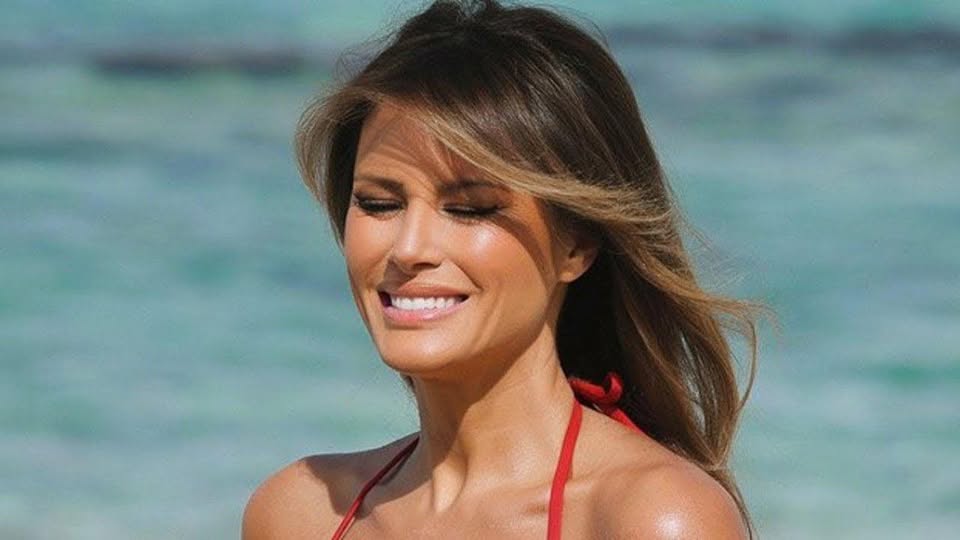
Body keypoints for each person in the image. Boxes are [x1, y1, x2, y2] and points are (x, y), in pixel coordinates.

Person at [243, 0, 761, 538]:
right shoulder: (300, 514)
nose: (409, 248)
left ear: (577, 246)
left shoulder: (650, 519)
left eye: (470, 209)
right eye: (379, 203)